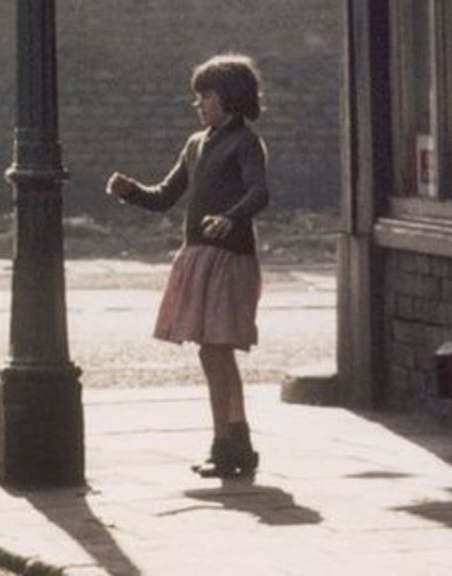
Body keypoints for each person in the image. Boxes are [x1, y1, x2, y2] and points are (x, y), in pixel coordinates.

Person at [106, 54, 268, 478]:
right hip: (198, 253)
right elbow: (164, 196)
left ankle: (227, 443)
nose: (198, 104)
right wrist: (130, 191)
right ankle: (235, 443)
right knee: (213, 354)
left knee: (218, 351)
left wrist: (230, 217)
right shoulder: (195, 144)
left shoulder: (245, 143)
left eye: (207, 96)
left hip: (230, 257)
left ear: (229, 99)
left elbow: (259, 193)